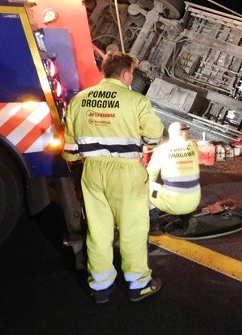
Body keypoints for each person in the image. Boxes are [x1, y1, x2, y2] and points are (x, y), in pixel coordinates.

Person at [63, 51, 165, 303]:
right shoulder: (136, 101)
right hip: (126, 173)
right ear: (126, 74)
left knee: (98, 231)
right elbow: (153, 136)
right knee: (132, 230)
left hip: (92, 171)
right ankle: (138, 284)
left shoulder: (80, 99)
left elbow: (70, 152)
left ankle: (100, 288)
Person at [147, 121, 202, 234]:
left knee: (144, 186)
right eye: (187, 130)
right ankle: (187, 217)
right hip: (194, 202)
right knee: (183, 187)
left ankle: (153, 223)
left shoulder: (162, 150)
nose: (189, 132)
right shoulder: (193, 146)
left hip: (173, 203)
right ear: (183, 133)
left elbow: (149, 175)